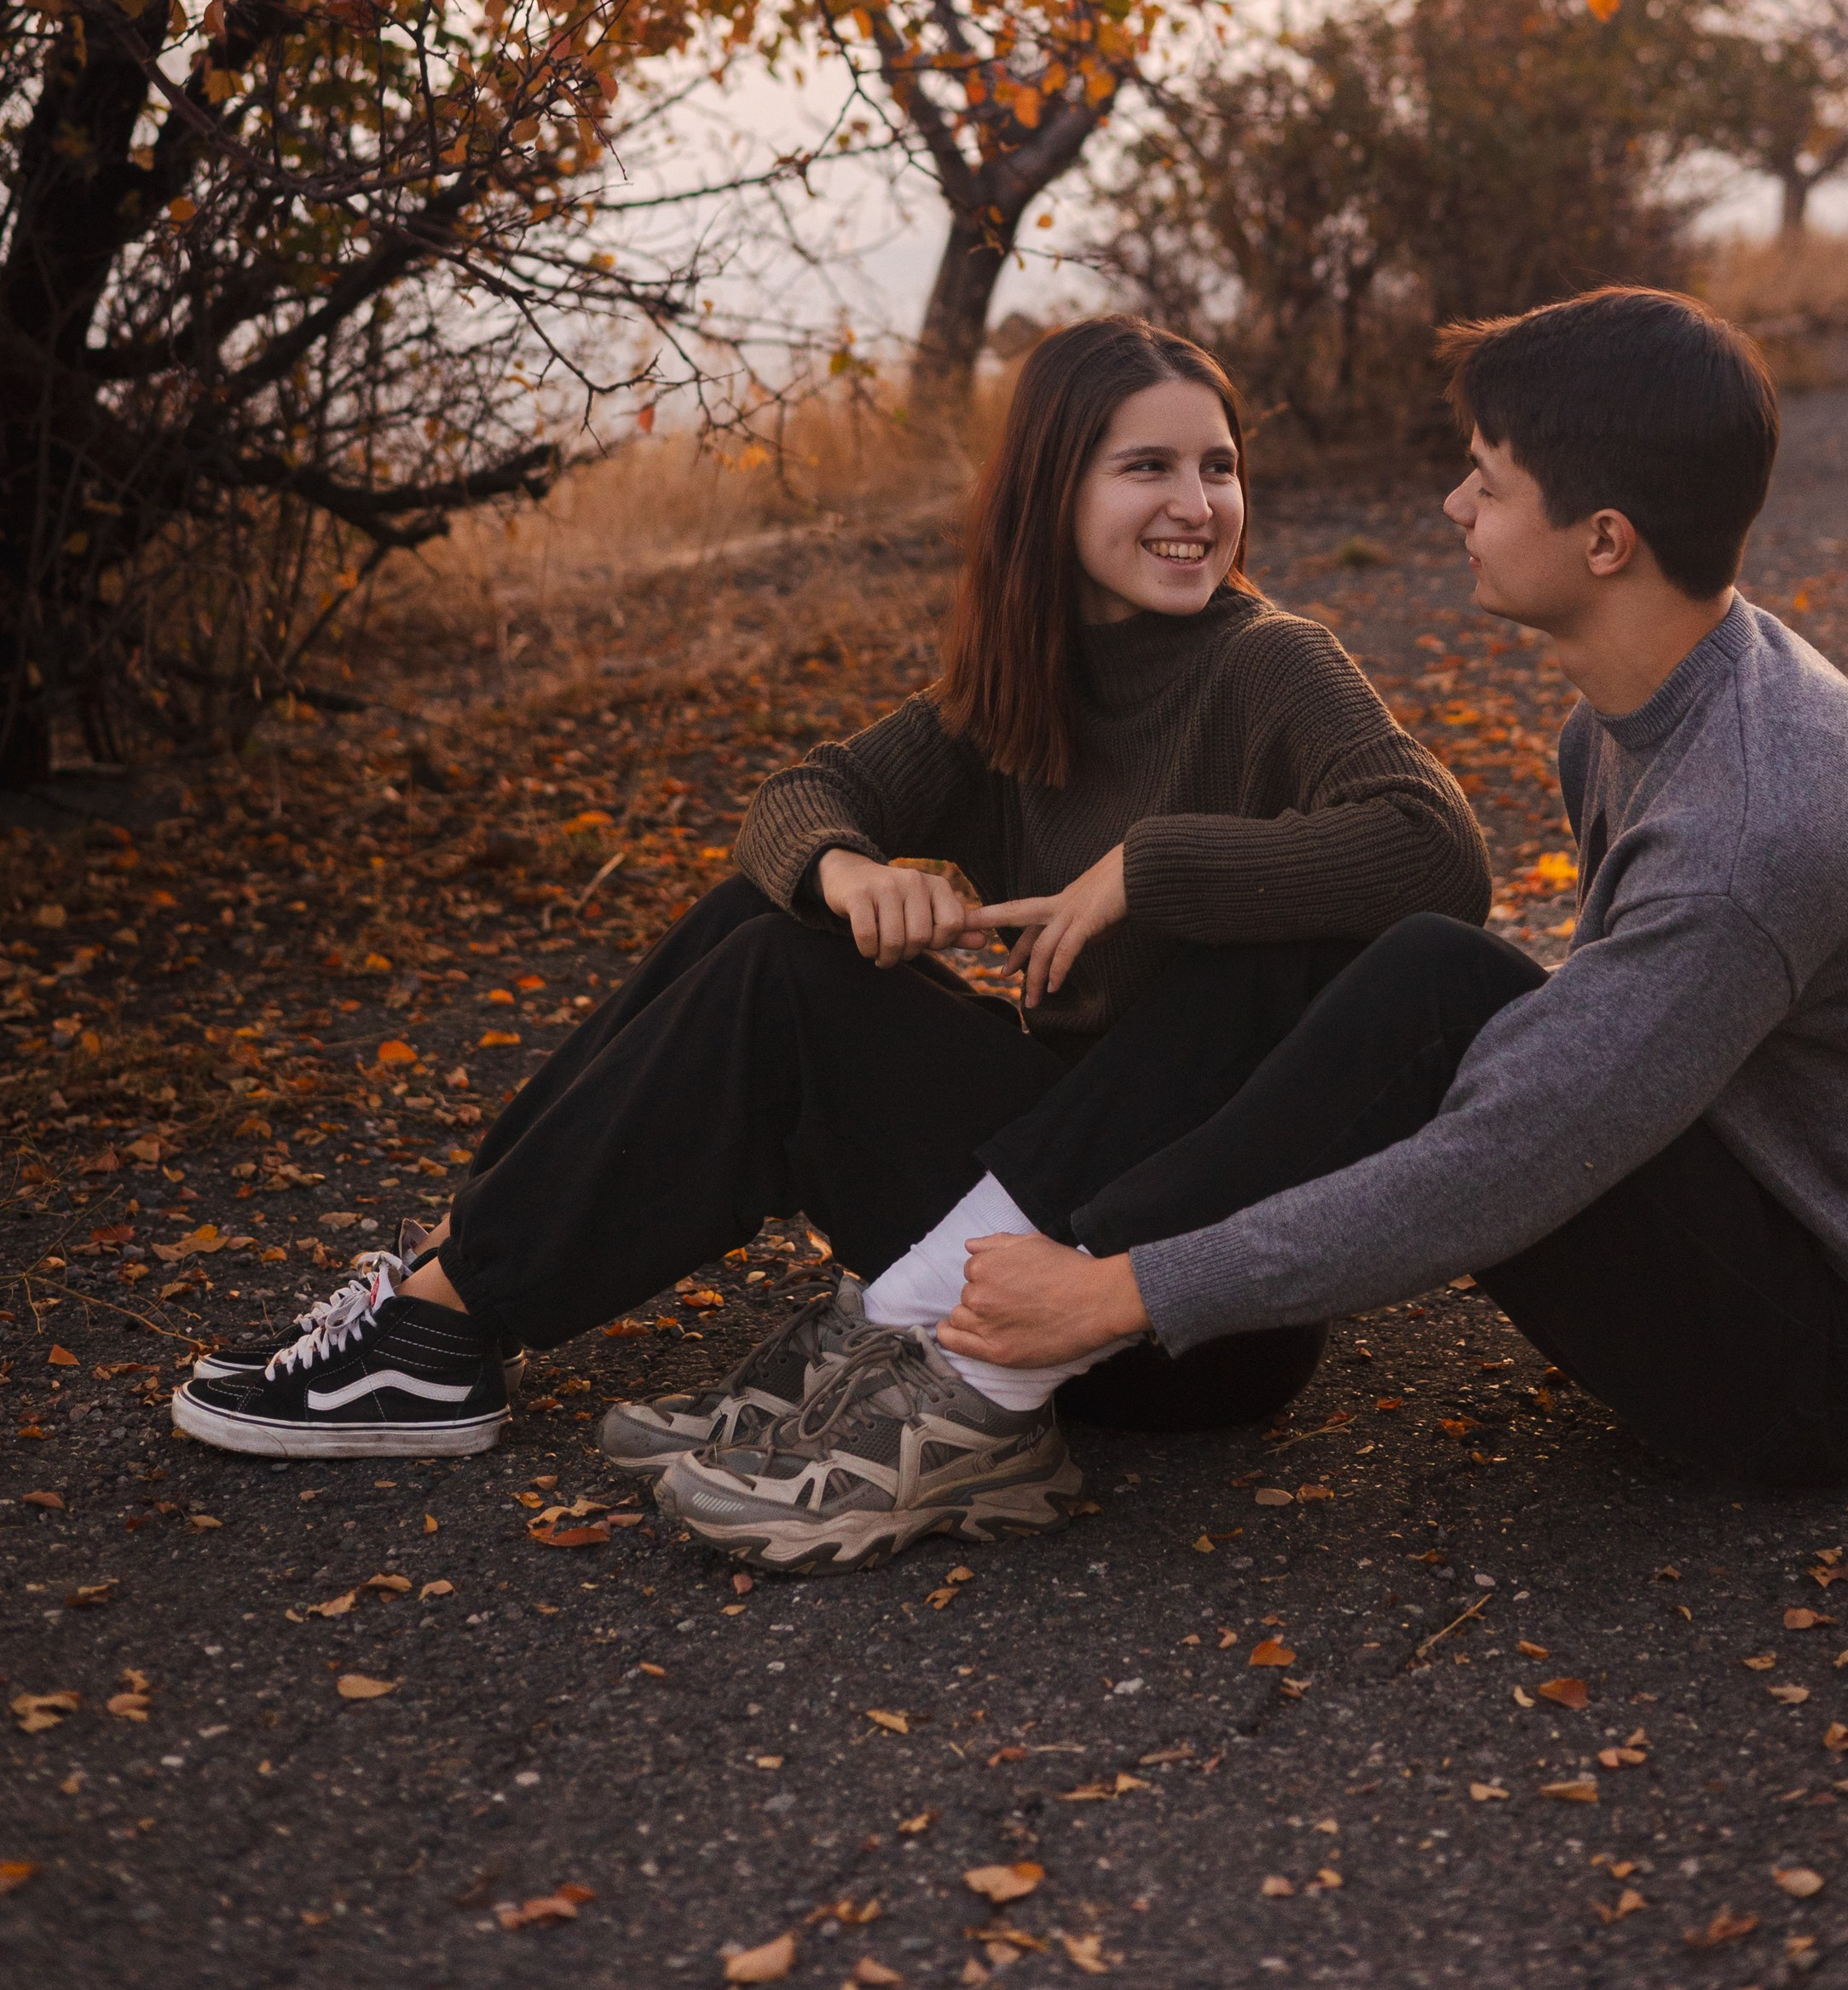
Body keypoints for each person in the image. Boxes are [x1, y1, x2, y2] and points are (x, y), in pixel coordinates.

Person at [652, 287, 1848, 1565]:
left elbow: (1505, 1164)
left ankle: (984, 1361)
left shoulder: (1756, 820)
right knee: (1422, 973)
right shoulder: (1639, 719)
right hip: (1741, 1221)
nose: (1452, 502)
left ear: (1605, 540)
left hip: (1828, 1364)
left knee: (1427, 983)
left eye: (1488, 479)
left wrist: (1127, 1295)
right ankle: (955, 1335)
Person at [170, 315, 1489, 1476]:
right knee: (772, 916)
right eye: (1146, 467)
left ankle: (449, 1318)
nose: (1195, 502)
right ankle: (449, 1274)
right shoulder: (1020, 693)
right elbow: (794, 801)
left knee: (781, 989)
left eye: (1218, 466)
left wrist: (1153, 868)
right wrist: (853, 872)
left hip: (1167, 1306)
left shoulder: (1271, 665)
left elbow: (1439, 855)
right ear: (1050, 491)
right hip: (1033, 1213)